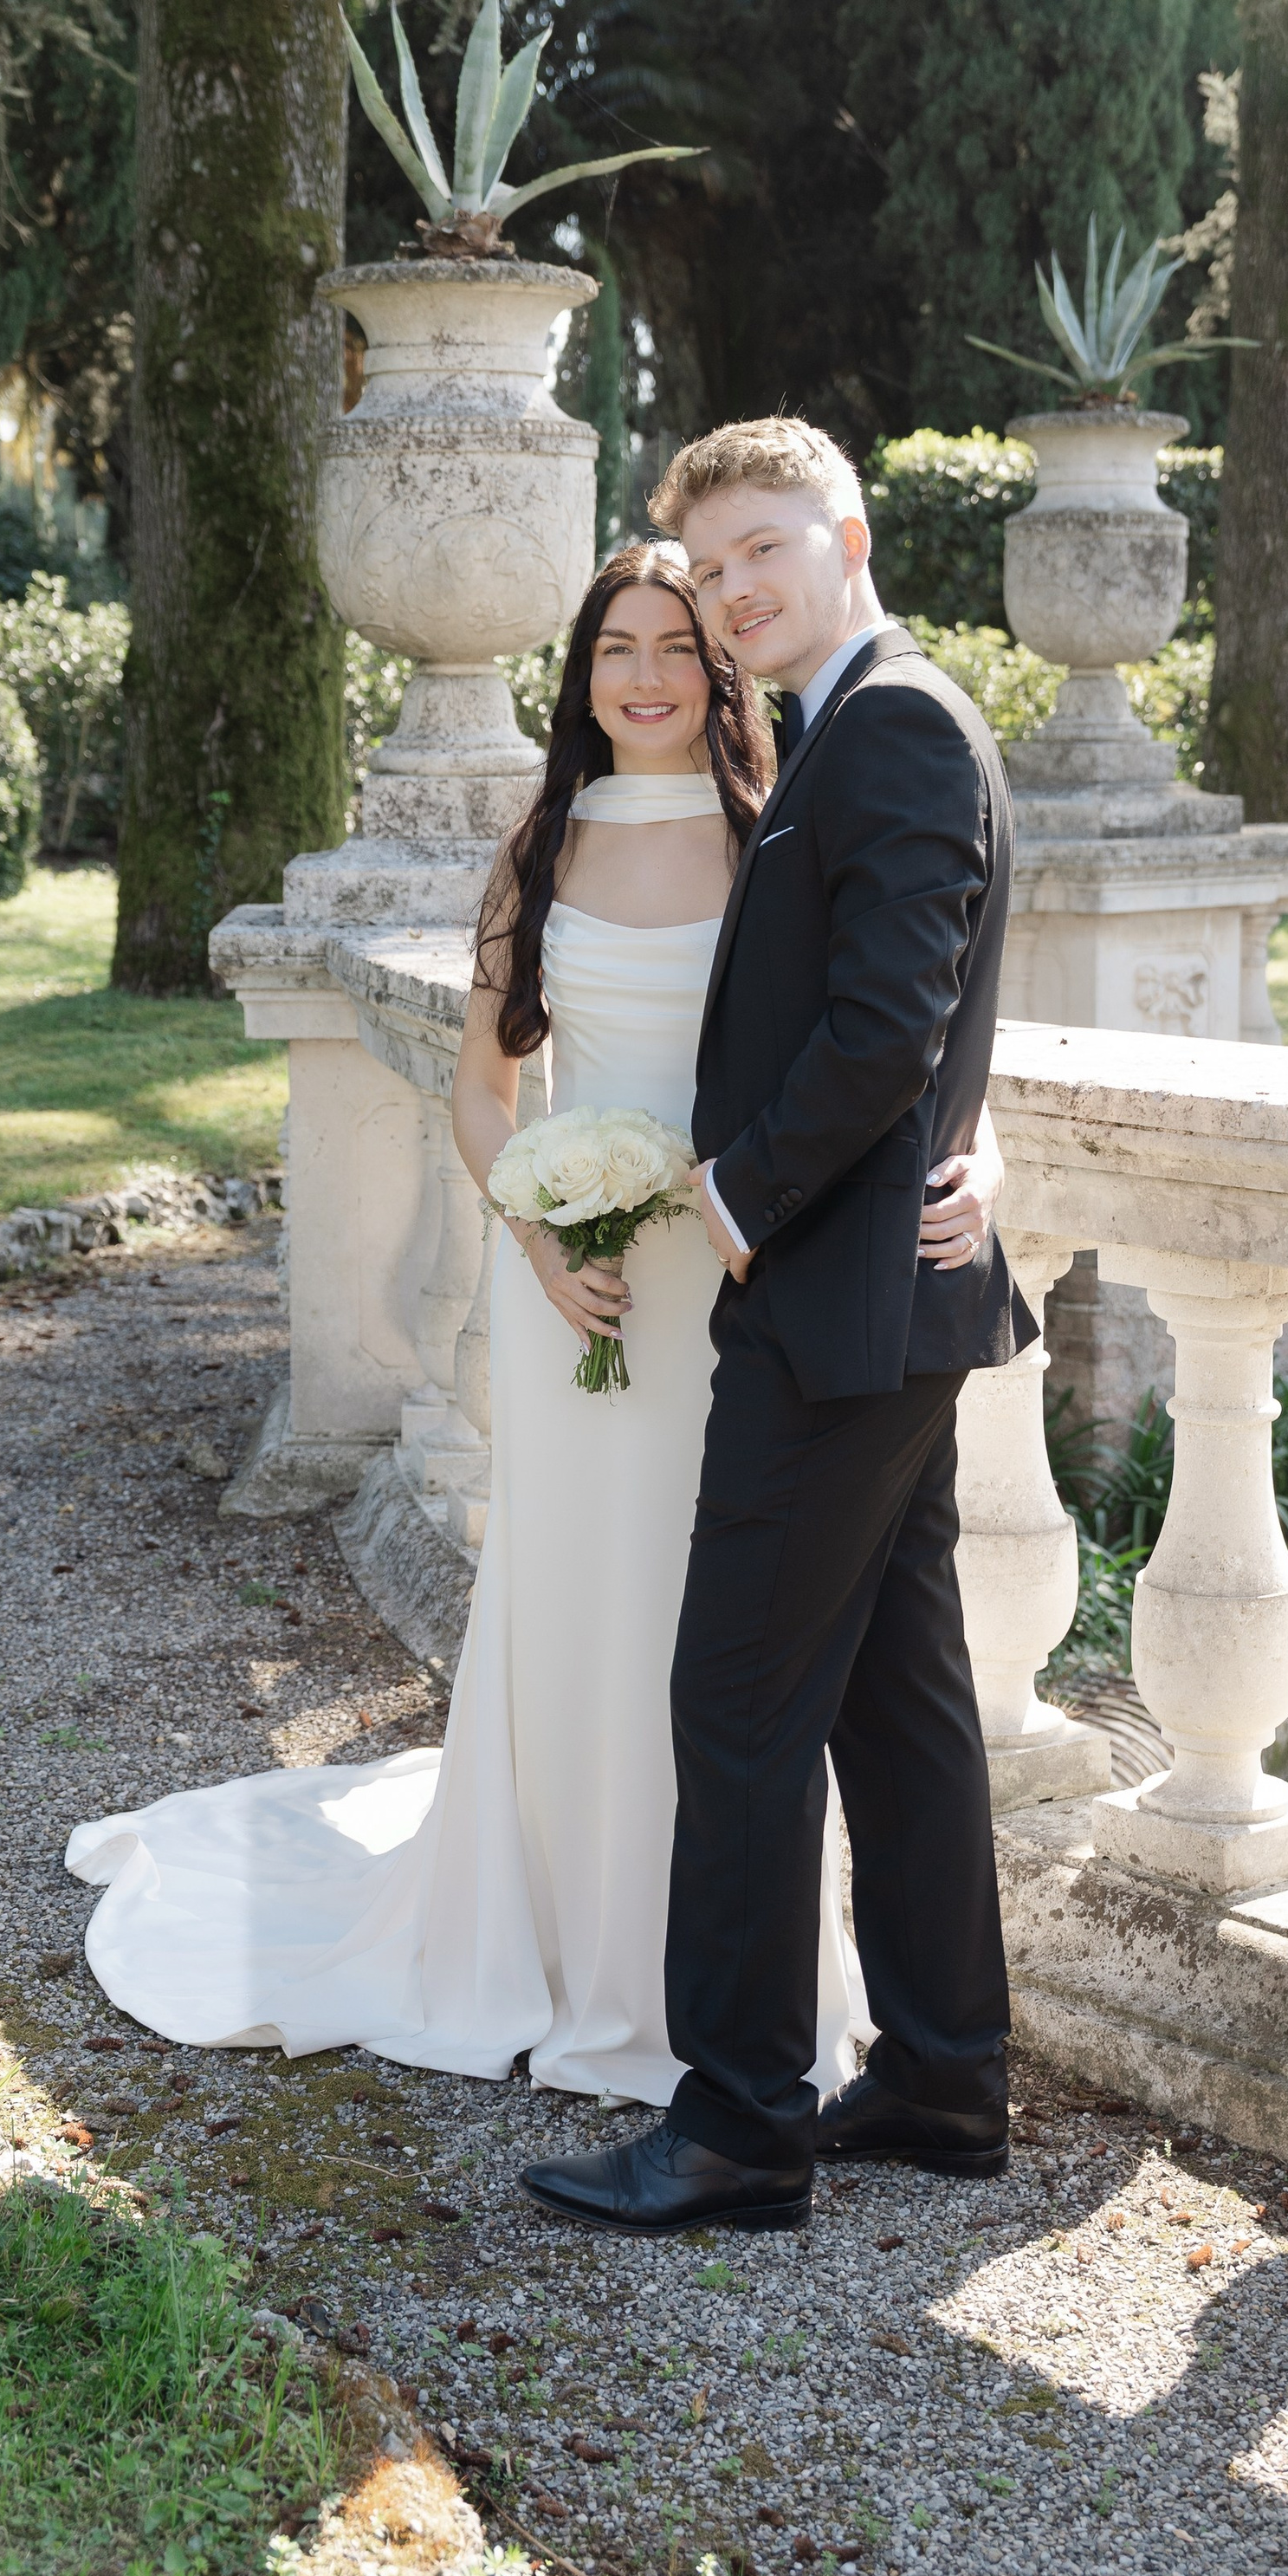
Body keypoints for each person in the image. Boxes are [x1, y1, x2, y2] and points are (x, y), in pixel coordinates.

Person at [63, 542, 997, 2092]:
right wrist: (545, 1238)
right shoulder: (539, 849)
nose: (646, 675)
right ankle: (554, 1931)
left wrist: (989, 1154)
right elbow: (486, 1093)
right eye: (616, 648)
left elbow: (911, 1018)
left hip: (751, 1273)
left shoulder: (775, 823)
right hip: (585, 1287)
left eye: (677, 645)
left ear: (720, 671)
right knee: (586, 1598)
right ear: (581, 678)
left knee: (724, 1635)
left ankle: (718, 1969)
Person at [521, 423, 1032, 2239]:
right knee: (898, 1707)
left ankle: (738, 2120)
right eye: (712, 565)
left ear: (848, 536)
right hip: (879, 1306)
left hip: (829, 1303)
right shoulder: (851, 721)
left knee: (735, 1702)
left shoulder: (891, 723)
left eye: (763, 551)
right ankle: (945, 2077)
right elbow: (908, 999)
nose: (735, 592)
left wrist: (732, 1203)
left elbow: (891, 1022)